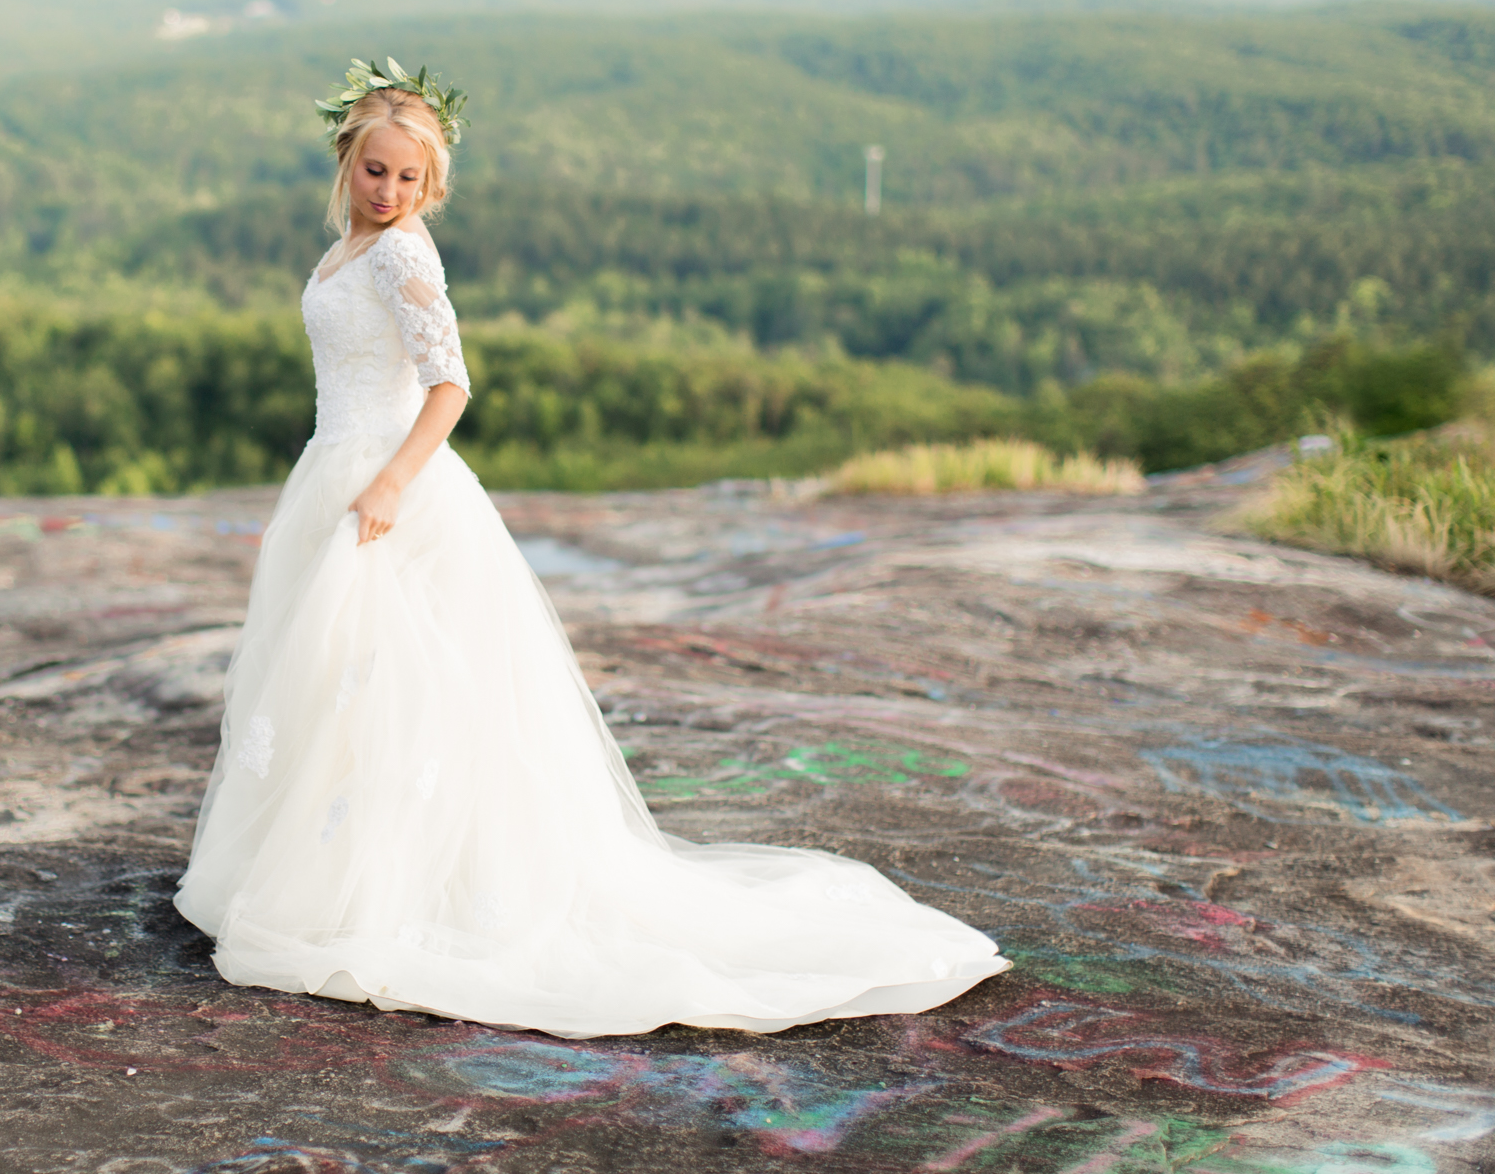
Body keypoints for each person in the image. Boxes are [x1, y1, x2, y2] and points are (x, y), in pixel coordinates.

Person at [173, 59, 1007, 1038]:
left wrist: (392, 480)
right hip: (335, 469)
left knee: (401, 684)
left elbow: (448, 385)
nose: (388, 191)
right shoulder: (348, 249)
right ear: (346, 162)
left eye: (407, 178)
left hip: (390, 487)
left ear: (429, 184)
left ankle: (400, 889)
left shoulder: (405, 257)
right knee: (336, 682)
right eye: (373, 171)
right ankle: (330, 864)